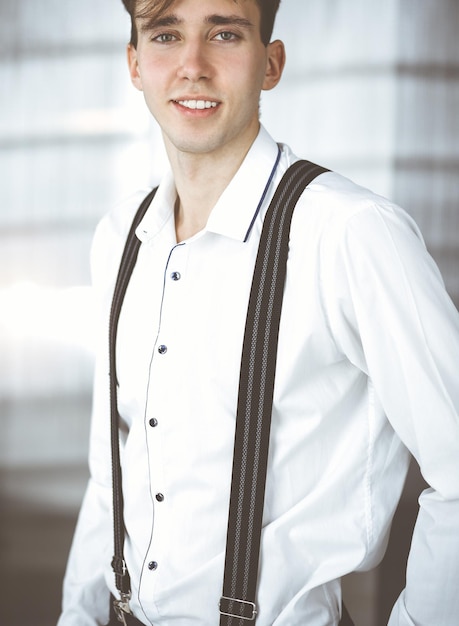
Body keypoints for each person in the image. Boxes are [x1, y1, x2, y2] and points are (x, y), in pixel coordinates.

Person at [57, 0, 459, 624]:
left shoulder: (349, 233)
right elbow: (109, 472)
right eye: (166, 35)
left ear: (270, 63)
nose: (192, 65)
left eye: (224, 33)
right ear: (135, 63)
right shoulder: (119, 239)